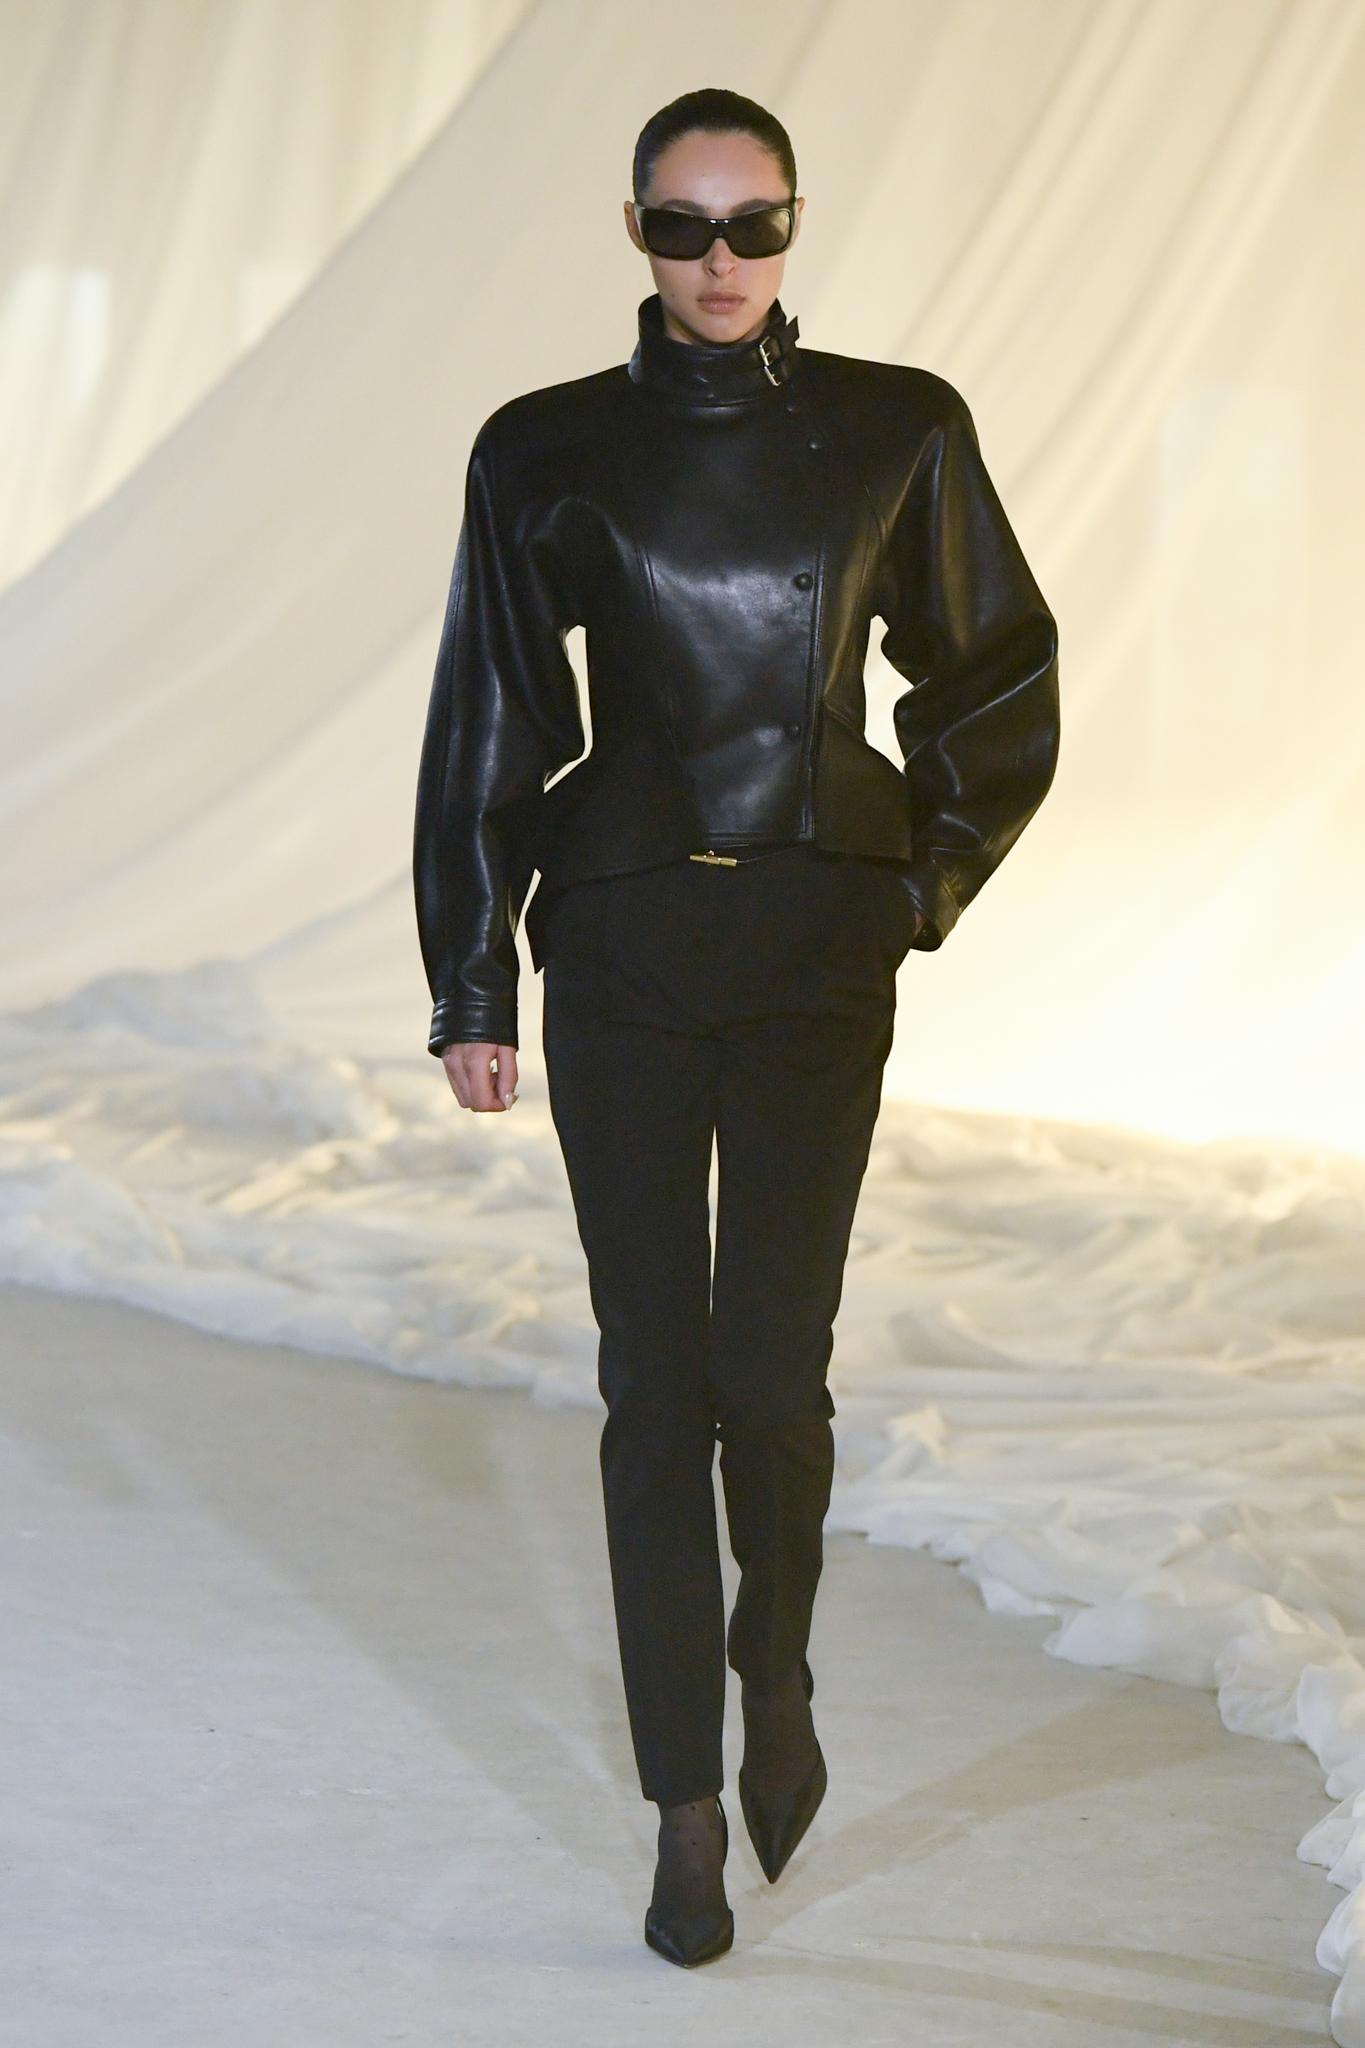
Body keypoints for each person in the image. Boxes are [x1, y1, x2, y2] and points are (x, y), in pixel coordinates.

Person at [413, 86, 1060, 1968]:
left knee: (772, 1375)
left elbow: (993, 670)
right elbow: (491, 709)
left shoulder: (896, 426)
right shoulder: (543, 445)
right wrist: (472, 978)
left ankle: (773, 1671)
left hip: (808, 948)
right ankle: (682, 1809)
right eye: (684, 227)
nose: (720, 261)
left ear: (792, 226)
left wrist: (914, 883)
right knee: (652, 1383)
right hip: (622, 941)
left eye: (753, 224)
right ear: (635, 231)